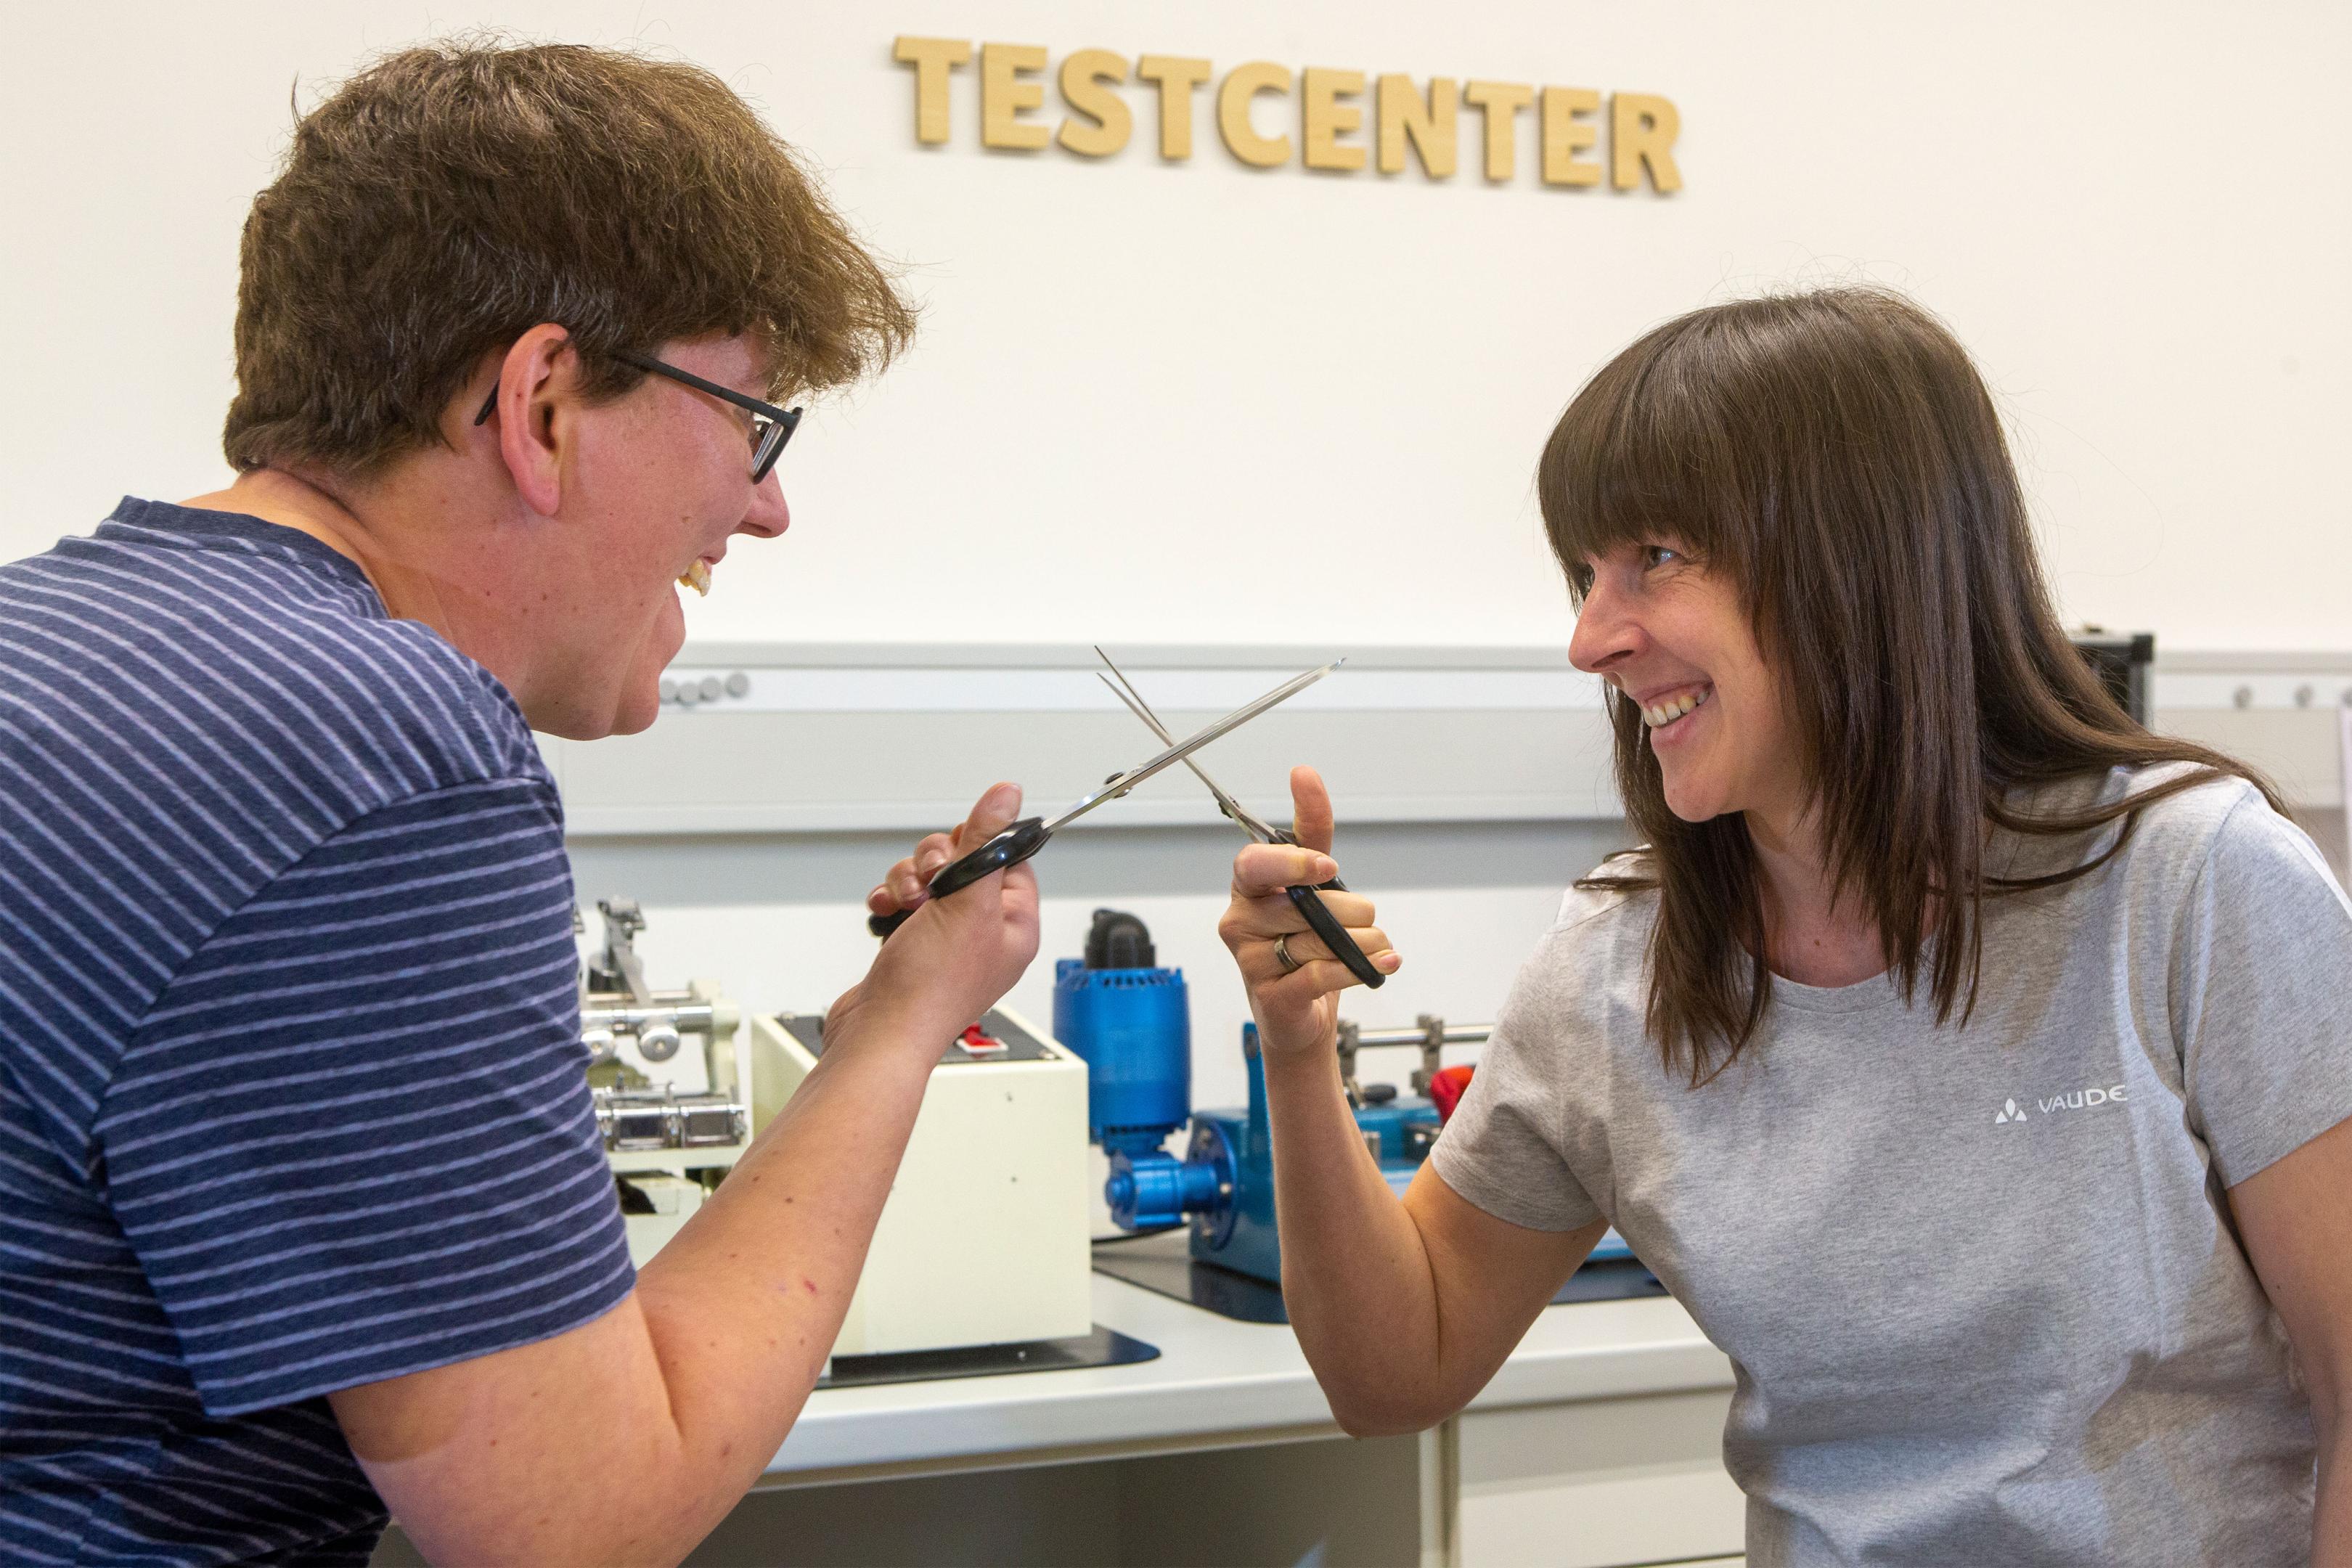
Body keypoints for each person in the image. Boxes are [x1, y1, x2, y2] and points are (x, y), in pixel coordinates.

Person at [0, 42, 1037, 1566]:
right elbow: (576, 1521)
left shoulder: (62, 635)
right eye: (748, 418)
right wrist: (897, 1029)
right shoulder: (378, 746)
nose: (765, 503)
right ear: (541, 402)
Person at [1220, 288, 2352, 1565]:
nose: (1592, 637)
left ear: (1856, 561)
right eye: (1584, 575)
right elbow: (1396, 1371)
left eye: (1657, 556)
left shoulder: (2193, 885)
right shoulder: (1621, 966)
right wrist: (1298, 1046)